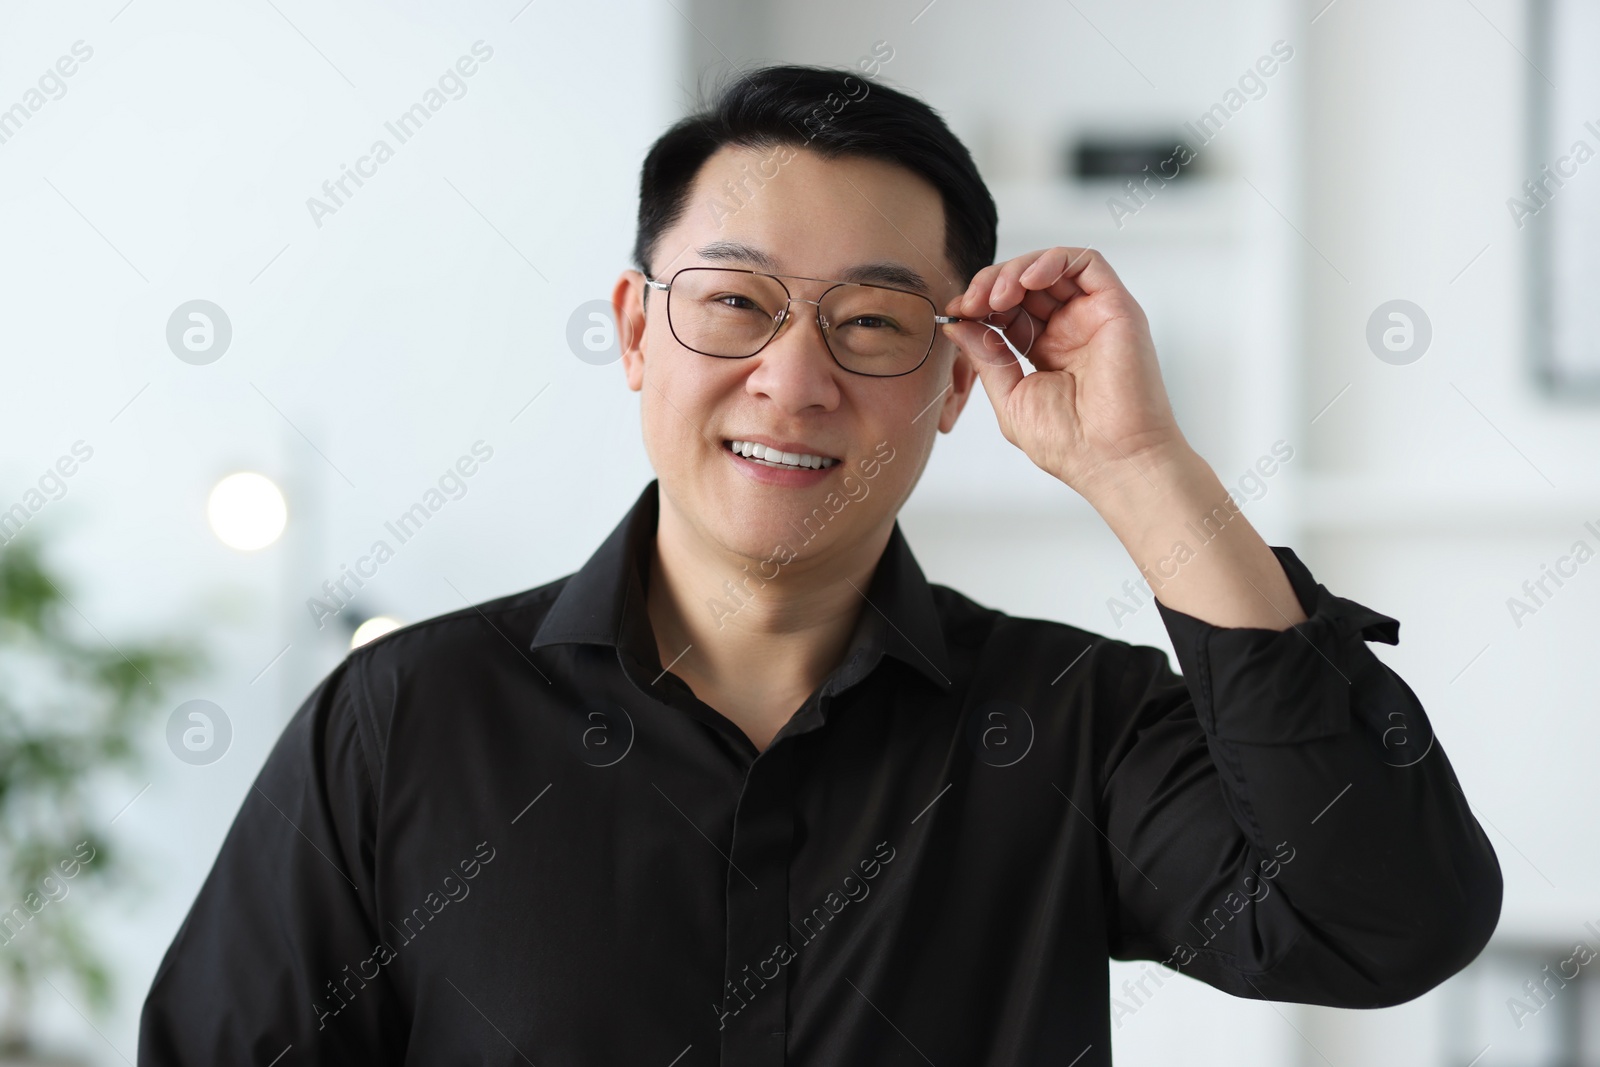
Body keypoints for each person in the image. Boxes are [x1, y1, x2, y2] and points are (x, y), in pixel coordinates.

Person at [138, 64, 1502, 1065]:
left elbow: (1384, 919)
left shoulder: (1073, 725)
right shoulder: (399, 727)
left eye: (872, 321)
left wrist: (1142, 469)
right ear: (633, 331)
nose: (793, 380)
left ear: (960, 380)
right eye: (735, 303)